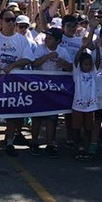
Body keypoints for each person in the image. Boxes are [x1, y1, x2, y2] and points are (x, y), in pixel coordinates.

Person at [0, 7, 33, 156]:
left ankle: (9, 142)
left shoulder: (22, 40)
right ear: (0, 22)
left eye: (13, 20)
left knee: (11, 114)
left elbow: (28, 58)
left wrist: (13, 65)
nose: (11, 23)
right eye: (7, 19)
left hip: (14, 83)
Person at [30, 27, 68, 157]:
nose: (47, 39)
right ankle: (34, 142)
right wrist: (48, 56)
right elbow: (34, 63)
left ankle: (50, 144)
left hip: (54, 89)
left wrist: (64, 63)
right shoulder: (40, 48)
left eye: (50, 38)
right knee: (37, 116)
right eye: (46, 37)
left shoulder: (63, 51)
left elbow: (70, 67)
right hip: (40, 87)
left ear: (58, 41)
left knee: (52, 118)